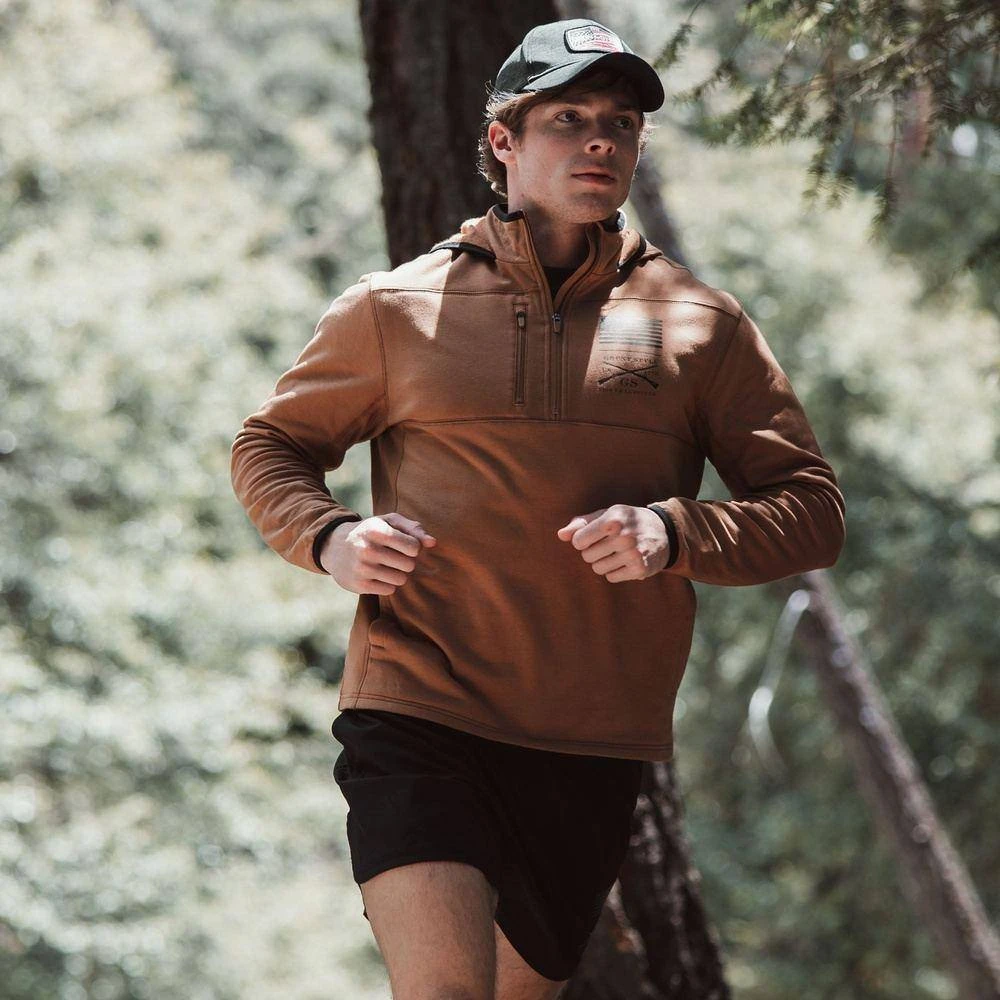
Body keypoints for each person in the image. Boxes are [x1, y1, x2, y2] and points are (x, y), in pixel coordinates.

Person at [230, 16, 846, 1000]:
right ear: (503, 141)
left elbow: (811, 511)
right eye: (568, 118)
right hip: (418, 707)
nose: (600, 141)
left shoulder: (701, 325)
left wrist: (672, 531)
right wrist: (331, 536)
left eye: (620, 123)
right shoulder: (393, 308)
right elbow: (270, 445)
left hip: (589, 742)